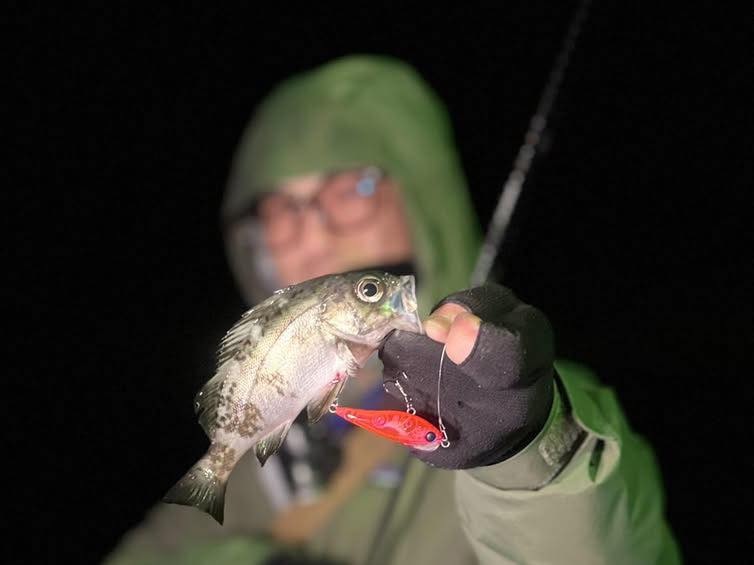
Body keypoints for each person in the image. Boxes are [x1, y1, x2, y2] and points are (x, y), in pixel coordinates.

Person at [106, 55, 681, 564]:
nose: (314, 231)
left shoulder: (532, 396)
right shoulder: (270, 462)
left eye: (351, 188)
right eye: (282, 207)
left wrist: (526, 453)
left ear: (421, 196)